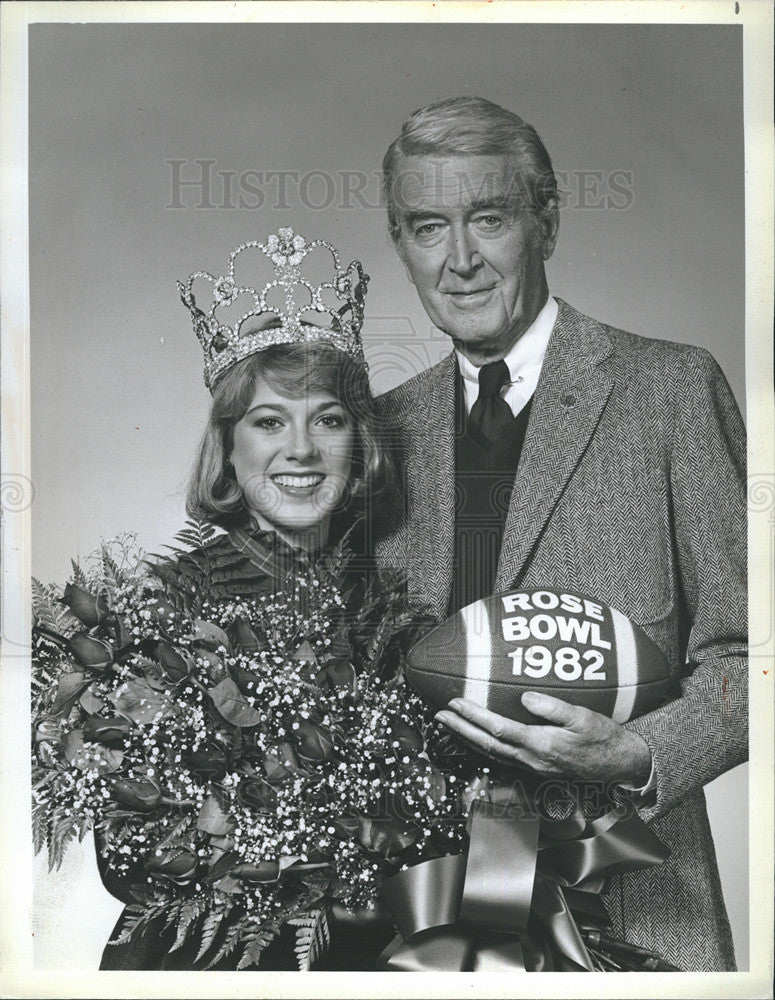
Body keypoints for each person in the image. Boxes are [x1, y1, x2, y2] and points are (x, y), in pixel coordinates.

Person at [373, 96, 747, 971]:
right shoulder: (377, 431)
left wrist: (641, 753)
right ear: (399, 245)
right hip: (422, 909)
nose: (459, 260)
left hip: (628, 895)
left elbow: (756, 650)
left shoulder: (669, 391)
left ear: (545, 220)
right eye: (428, 228)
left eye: (488, 219)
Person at [97, 231, 395, 970]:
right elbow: (121, 853)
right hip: (205, 959)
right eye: (269, 422)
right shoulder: (157, 610)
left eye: (327, 419)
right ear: (227, 447)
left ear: (357, 442)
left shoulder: (395, 610)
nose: (301, 449)